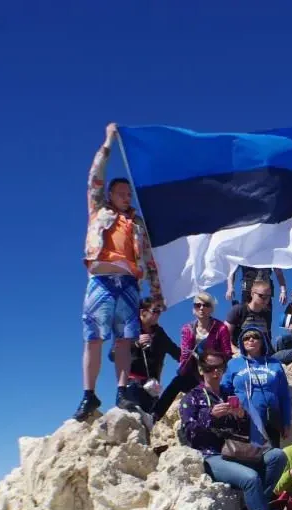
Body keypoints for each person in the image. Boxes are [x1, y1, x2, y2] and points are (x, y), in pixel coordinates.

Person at [74, 123, 164, 421]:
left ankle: (122, 390)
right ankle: (88, 394)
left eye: (129, 194)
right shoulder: (99, 211)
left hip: (128, 282)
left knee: (125, 339)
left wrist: (156, 292)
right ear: (110, 194)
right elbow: (95, 176)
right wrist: (108, 141)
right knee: (93, 337)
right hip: (100, 279)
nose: (127, 197)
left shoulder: (137, 225)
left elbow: (149, 259)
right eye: (121, 193)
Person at [179, 348, 288, 510]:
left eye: (219, 367)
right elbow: (190, 434)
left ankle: (254, 504)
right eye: (209, 368)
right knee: (251, 479)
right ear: (201, 370)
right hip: (212, 455)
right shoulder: (192, 398)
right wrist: (210, 416)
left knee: (278, 456)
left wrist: (241, 417)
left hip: (236, 451)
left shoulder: (227, 395)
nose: (215, 372)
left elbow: (242, 431)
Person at [153, 292, 231, 420]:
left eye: (205, 305)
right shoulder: (187, 329)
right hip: (194, 371)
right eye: (197, 305)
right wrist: (183, 370)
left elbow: (227, 352)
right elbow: (185, 354)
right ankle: (155, 415)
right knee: (177, 382)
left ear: (211, 309)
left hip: (215, 370)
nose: (201, 308)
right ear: (193, 309)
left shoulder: (220, 328)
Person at [221, 325, 292, 448]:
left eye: (255, 337)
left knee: (272, 458)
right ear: (241, 343)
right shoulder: (233, 364)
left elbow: (284, 395)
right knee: (247, 459)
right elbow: (224, 389)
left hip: (271, 421)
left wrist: (286, 422)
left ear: (262, 341)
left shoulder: (274, 364)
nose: (251, 340)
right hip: (243, 420)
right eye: (246, 338)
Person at [119, 298, 180, 413]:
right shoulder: (129, 329)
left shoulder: (160, 334)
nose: (158, 315)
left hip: (152, 388)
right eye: (155, 311)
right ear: (143, 312)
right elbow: (113, 355)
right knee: (133, 419)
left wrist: (198, 358)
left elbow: (177, 353)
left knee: (149, 424)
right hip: (132, 385)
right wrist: (135, 344)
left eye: (160, 312)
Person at [225, 280, 276, 353]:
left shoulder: (267, 313)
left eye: (268, 297)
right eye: (261, 296)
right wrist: (236, 351)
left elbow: (266, 337)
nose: (265, 299)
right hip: (239, 353)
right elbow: (224, 334)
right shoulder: (238, 310)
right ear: (252, 294)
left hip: (261, 355)